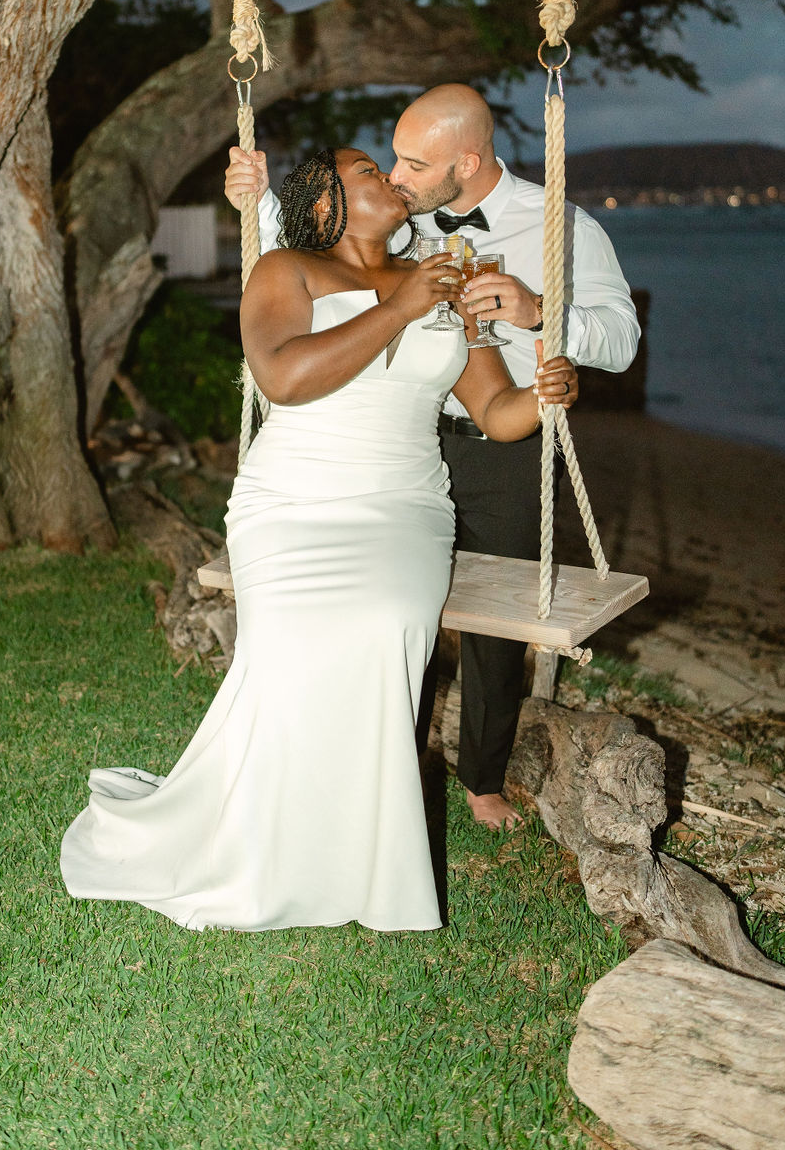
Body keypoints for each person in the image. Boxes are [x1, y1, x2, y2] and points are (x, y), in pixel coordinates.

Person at [61, 147, 578, 932]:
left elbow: (494, 411)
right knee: (293, 650)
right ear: (326, 201)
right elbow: (284, 378)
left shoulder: (446, 276)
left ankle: (366, 864)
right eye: (368, 168)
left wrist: (548, 393)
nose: (389, 176)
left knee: (389, 628)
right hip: (293, 503)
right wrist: (400, 309)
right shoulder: (286, 271)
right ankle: (262, 842)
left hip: (404, 507)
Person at [225, 85, 639, 831]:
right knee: (391, 623)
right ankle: (390, 760)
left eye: (413, 164)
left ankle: (480, 775)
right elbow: (313, 250)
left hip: (488, 449)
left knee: (489, 629)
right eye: (387, 162)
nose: (398, 175)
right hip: (385, 454)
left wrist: (541, 318)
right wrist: (255, 199)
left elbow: (619, 340)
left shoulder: (560, 227)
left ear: (467, 162)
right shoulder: (404, 242)